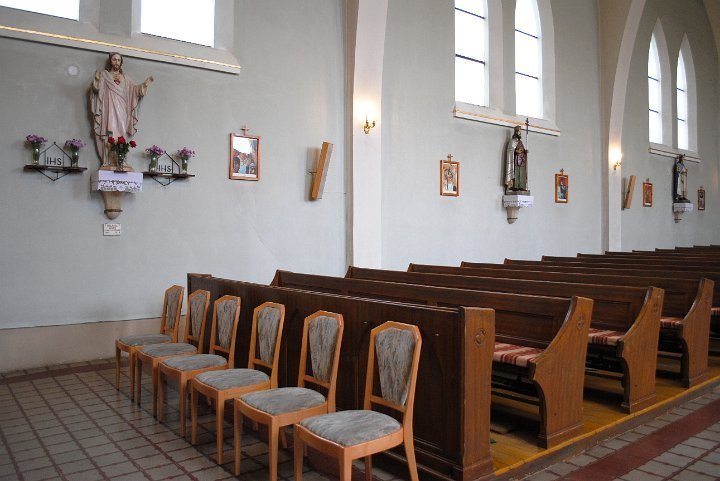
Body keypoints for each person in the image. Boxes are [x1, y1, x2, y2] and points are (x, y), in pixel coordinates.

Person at [90, 52, 154, 165]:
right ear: (110, 61)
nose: (116, 62)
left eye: (118, 60)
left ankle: (121, 160)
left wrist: (144, 85)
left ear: (121, 62)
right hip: (109, 109)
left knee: (121, 132)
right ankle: (108, 161)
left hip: (122, 109)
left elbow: (134, 90)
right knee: (109, 132)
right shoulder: (105, 75)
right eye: (114, 59)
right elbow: (97, 89)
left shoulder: (126, 78)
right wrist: (97, 80)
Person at [505, 125, 528, 193]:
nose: (519, 133)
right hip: (516, 160)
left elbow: (522, 150)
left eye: (520, 132)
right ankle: (515, 187)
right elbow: (511, 150)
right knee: (516, 173)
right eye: (518, 132)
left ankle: (522, 186)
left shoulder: (521, 142)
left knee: (522, 173)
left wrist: (525, 152)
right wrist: (516, 151)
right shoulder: (512, 141)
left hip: (522, 160)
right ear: (515, 132)